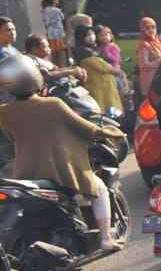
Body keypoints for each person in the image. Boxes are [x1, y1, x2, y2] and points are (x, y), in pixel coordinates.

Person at [0, 54, 126, 252]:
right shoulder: (52, 104)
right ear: (34, 77)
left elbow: (11, 137)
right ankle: (106, 238)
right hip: (60, 171)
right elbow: (84, 127)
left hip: (26, 174)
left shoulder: (4, 112)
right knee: (99, 188)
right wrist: (109, 132)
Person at [72, 26, 124, 116]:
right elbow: (103, 67)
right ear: (81, 37)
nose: (92, 36)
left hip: (104, 87)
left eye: (92, 34)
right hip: (99, 87)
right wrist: (117, 71)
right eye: (88, 35)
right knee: (104, 114)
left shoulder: (93, 49)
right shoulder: (84, 51)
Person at [135, 16, 161, 102]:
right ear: (142, 30)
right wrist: (160, 61)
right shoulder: (144, 45)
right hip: (150, 81)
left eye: (153, 27)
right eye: (147, 28)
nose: (151, 30)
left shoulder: (159, 43)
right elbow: (143, 65)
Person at [40, 0, 66, 64]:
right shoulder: (56, 10)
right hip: (58, 34)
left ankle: (55, 65)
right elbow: (61, 19)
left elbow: (45, 23)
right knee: (61, 53)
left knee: (53, 53)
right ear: (54, 0)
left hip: (50, 33)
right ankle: (62, 66)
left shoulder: (44, 10)